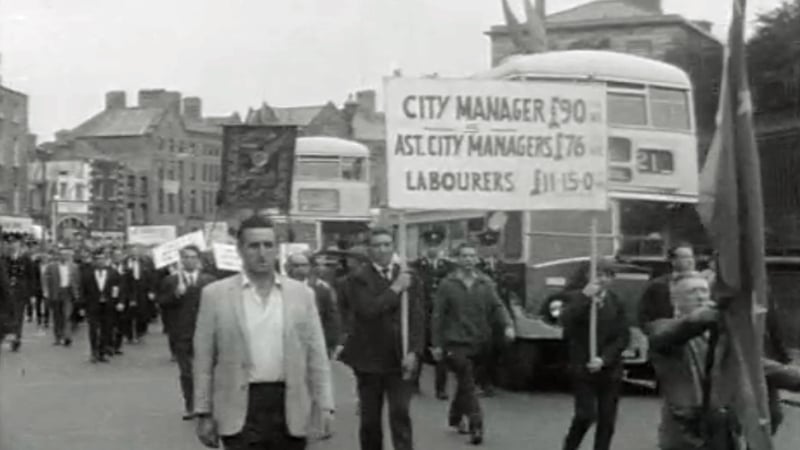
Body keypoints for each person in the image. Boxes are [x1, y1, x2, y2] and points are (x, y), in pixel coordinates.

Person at [193, 215, 334, 450]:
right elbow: (203, 360)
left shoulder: (301, 295)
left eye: (268, 245)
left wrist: (325, 404)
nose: (262, 253)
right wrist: (203, 411)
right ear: (240, 250)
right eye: (254, 246)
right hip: (240, 406)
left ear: (277, 249)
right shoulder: (215, 295)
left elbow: (316, 355)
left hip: (288, 406)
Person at [640, 272, 800, 449]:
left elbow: (759, 366)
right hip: (686, 433)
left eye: (703, 290)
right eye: (692, 292)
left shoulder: (724, 336)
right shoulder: (662, 329)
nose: (700, 296)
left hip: (722, 432)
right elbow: (671, 333)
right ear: (675, 301)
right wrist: (697, 319)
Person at [339, 228, 425, 450]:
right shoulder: (357, 279)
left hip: (400, 358)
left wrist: (414, 351)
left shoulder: (409, 276)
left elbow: (417, 317)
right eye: (377, 245)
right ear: (369, 250)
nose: (383, 249)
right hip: (369, 360)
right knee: (370, 419)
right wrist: (396, 288)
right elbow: (368, 310)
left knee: (400, 413)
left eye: (387, 244)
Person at [431, 242, 514, 445]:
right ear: (457, 259)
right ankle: (476, 425)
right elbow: (438, 316)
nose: (468, 260)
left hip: (479, 341)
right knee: (467, 381)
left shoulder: (485, 283)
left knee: (465, 382)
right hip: (455, 341)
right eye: (464, 256)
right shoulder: (447, 284)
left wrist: (508, 325)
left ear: (477, 259)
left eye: (471, 256)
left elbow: (497, 306)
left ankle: (455, 416)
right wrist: (437, 344)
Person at [559, 260, 630, 450]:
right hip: (582, 367)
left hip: (609, 368)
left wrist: (604, 359)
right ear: (588, 277)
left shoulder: (616, 302)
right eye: (598, 275)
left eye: (607, 275)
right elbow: (565, 321)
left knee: (607, 419)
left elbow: (622, 336)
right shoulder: (575, 298)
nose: (602, 279)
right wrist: (584, 297)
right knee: (585, 415)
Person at [159, 245, 215, 420]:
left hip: (205, 332)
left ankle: (206, 403)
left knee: (206, 370)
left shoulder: (209, 281)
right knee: (186, 372)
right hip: (181, 333)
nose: (189, 260)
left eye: (193, 257)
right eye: (186, 257)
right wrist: (175, 295)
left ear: (198, 260)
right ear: (181, 261)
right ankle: (190, 404)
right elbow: (162, 303)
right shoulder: (172, 281)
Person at [412, 228, 452, 399]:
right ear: (424, 246)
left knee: (441, 351)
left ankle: (441, 388)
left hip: (442, 315)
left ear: (442, 246)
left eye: (436, 245)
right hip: (423, 313)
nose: (433, 248)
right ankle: (414, 384)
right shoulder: (415, 267)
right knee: (419, 348)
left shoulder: (450, 267)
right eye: (430, 245)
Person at [285, 252, 341, 356]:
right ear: (288, 267)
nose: (300, 269)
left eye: (304, 265)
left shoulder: (321, 290)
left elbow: (331, 318)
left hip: (314, 344)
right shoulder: (279, 288)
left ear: (309, 267)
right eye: (296, 265)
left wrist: (331, 343)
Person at [80, 249, 122, 363]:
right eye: (98, 260)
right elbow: (83, 291)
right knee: (93, 329)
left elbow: (117, 288)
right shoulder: (87, 273)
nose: (100, 262)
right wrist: (81, 307)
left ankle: (102, 351)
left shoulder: (113, 273)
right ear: (94, 261)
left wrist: (118, 302)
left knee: (106, 329)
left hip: (108, 306)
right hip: (92, 305)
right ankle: (94, 352)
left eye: (102, 259)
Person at [4, 234, 37, 352]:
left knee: (18, 316)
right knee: (7, 316)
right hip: (6, 293)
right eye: (10, 243)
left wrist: (32, 294)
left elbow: (31, 277)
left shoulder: (26, 259)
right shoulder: (5, 259)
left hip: (20, 292)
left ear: (19, 244)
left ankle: (16, 338)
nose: (12, 245)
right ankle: (8, 335)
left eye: (14, 243)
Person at [43, 247, 81, 347]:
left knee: (67, 316)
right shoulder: (51, 266)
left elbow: (77, 281)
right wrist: (46, 292)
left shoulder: (74, 267)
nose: (64, 257)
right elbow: (46, 279)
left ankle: (67, 337)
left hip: (68, 293)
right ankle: (58, 337)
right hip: (56, 293)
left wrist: (76, 294)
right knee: (57, 317)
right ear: (59, 256)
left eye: (66, 255)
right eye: (62, 255)